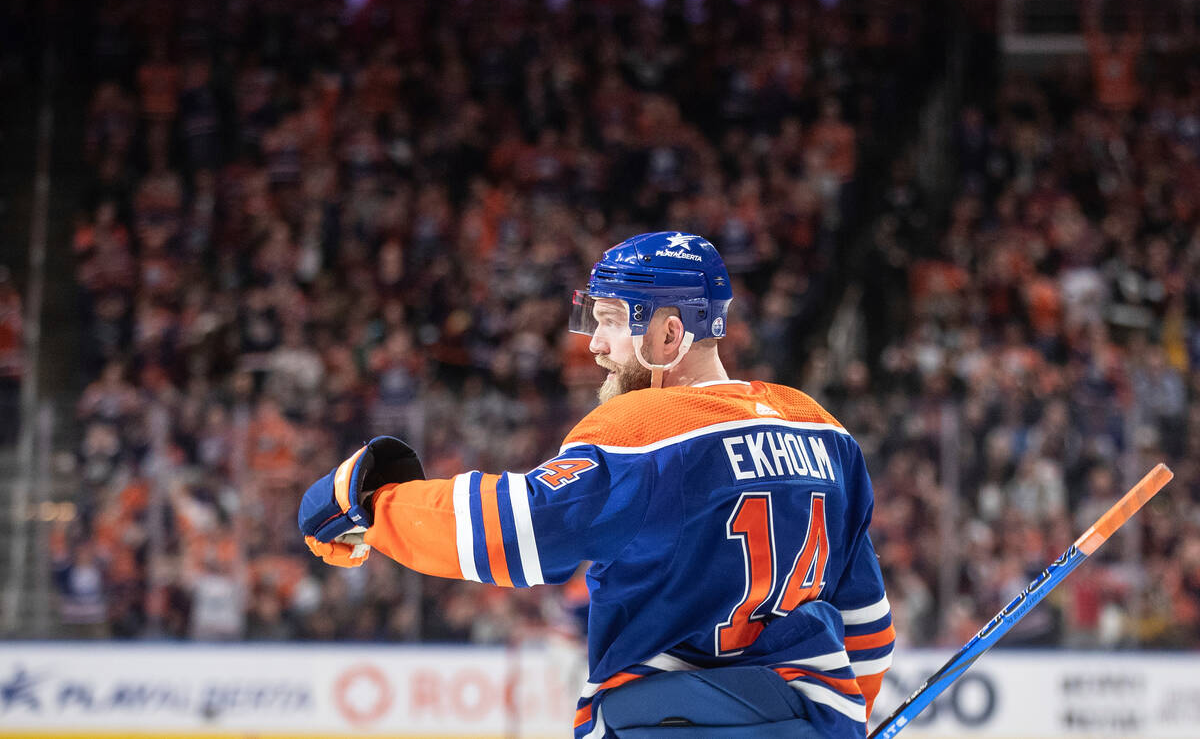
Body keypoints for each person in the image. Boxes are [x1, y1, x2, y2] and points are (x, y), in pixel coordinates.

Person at [299, 232, 893, 738]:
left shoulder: (644, 431)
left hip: (668, 723)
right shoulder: (822, 431)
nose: (595, 343)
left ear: (669, 334)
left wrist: (372, 506)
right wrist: (847, 722)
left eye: (610, 321)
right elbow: (867, 623)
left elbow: (514, 529)